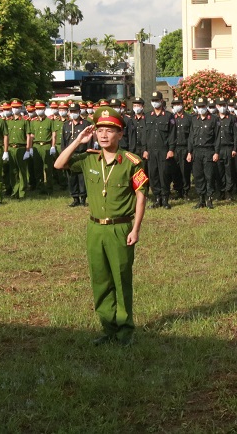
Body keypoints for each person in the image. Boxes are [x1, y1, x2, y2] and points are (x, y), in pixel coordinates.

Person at [54, 105, 148, 346]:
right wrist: (78, 141)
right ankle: (109, 329)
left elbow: (140, 196)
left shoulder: (131, 162)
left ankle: (125, 332)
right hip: (95, 229)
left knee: (121, 279)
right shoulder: (88, 158)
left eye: (110, 130)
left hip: (120, 228)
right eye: (99, 130)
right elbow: (59, 164)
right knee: (101, 279)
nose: (104, 135)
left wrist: (135, 229)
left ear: (120, 134)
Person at [141, 91, 175, 209]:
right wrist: (145, 150)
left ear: (161, 101)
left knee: (164, 174)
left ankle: (165, 199)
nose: (155, 103)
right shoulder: (147, 116)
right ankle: (157, 199)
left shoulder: (168, 116)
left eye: (157, 100)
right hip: (151, 151)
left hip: (163, 150)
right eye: (153, 101)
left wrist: (171, 149)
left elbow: (172, 134)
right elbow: (144, 134)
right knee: (153, 175)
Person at [186, 97, 220, 209]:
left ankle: (209, 198)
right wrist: (189, 152)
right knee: (198, 175)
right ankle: (201, 199)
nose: (201, 109)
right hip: (196, 151)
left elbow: (217, 137)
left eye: (202, 106)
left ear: (206, 106)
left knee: (209, 176)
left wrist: (216, 152)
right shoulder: (194, 119)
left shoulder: (214, 119)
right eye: (199, 107)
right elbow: (191, 137)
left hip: (209, 150)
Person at [62, 103, 90, 207]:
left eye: (75, 111)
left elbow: (89, 141)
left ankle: (83, 198)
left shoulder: (85, 124)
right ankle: (75, 198)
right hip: (70, 154)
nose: (73, 114)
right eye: (71, 112)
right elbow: (64, 142)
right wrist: (63, 154)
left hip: (82, 153)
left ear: (79, 112)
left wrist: (89, 153)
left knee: (82, 177)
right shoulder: (66, 125)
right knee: (72, 177)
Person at [29, 101, 57, 194]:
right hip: (36, 145)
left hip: (46, 145)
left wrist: (53, 146)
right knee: (37, 168)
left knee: (48, 168)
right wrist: (30, 148)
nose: (38, 111)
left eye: (40, 109)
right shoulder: (33, 122)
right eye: (37, 109)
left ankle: (49, 188)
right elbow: (32, 135)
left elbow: (53, 134)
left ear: (44, 109)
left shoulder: (49, 121)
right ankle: (40, 188)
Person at [170, 97, 192, 200]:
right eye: (175, 104)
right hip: (174, 149)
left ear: (182, 104)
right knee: (175, 171)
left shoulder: (188, 118)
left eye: (178, 103)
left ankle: (186, 191)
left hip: (184, 148)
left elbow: (191, 136)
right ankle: (178, 190)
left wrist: (189, 151)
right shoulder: (172, 118)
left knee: (185, 171)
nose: (177, 106)